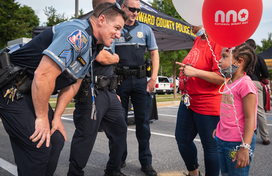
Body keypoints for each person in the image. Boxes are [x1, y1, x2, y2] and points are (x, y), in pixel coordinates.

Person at [0, 3, 126, 176]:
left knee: (56, 139)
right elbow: (43, 75)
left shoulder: (94, 46)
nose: (119, 35)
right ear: (102, 20)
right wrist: (42, 117)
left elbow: (73, 83)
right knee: (39, 146)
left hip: (30, 91)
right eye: (117, 28)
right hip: (11, 88)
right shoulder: (78, 34)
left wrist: (57, 117)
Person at [67, 1, 128, 176]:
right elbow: (101, 57)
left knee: (120, 130)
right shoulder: (90, 24)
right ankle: (75, 173)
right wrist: (115, 57)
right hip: (91, 90)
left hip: (109, 91)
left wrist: (113, 91)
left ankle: (113, 170)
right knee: (85, 135)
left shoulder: (111, 23)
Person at [114, 0, 159, 175]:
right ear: (122, 7)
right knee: (119, 124)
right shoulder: (115, 28)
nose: (135, 13)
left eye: (138, 10)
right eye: (132, 9)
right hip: (120, 82)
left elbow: (154, 53)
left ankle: (146, 163)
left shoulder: (146, 29)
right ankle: (119, 159)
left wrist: (153, 78)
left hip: (141, 82)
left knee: (143, 125)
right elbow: (108, 55)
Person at [175, 25, 224, 176]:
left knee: (210, 147)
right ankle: (193, 173)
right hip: (188, 100)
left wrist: (194, 71)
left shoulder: (218, 42)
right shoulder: (198, 39)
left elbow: (222, 77)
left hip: (207, 102)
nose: (190, 26)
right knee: (182, 140)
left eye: (192, 22)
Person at [213, 43, 257, 176]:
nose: (219, 60)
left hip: (238, 142)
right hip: (222, 139)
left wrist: (245, 147)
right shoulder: (229, 82)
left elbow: (250, 118)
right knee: (226, 173)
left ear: (239, 61)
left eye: (224, 57)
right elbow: (229, 110)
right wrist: (220, 127)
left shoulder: (245, 84)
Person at [245, 39, 270, 145]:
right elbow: (266, 74)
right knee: (259, 110)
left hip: (244, 83)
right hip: (255, 83)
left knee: (245, 110)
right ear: (255, 47)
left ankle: (249, 135)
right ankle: (265, 137)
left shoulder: (244, 58)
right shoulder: (259, 58)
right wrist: (260, 79)